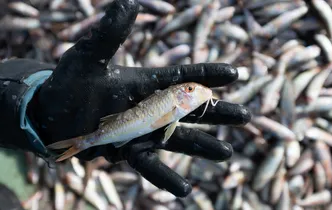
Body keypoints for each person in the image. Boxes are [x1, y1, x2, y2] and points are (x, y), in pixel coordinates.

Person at [0, 0, 251, 197]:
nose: (195, 93)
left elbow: (165, 121)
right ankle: (76, 142)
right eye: (190, 90)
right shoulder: (173, 105)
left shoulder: (176, 109)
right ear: (179, 97)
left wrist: (32, 108)